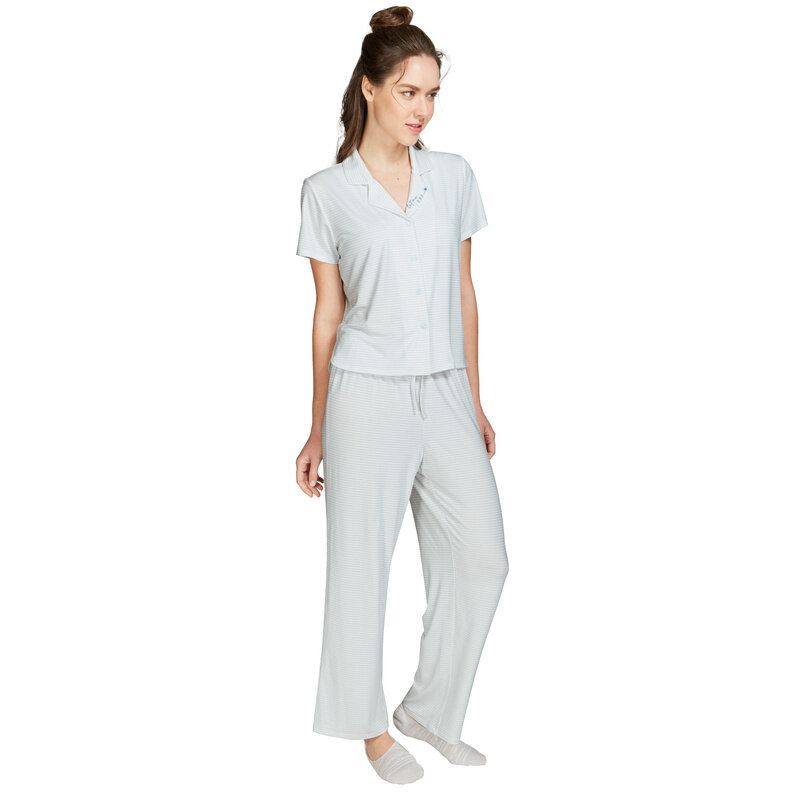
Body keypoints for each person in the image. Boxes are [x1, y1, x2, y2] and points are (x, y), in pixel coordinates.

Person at [294, 6, 509, 784]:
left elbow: (464, 292)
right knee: (360, 568)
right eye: (409, 92)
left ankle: (430, 712)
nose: (422, 109)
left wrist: (473, 397)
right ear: (370, 88)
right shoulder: (328, 192)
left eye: (432, 94)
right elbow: (328, 315)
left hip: (445, 388)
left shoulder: (455, 177)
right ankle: (372, 734)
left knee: (484, 558)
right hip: (365, 396)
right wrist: (317, 429)